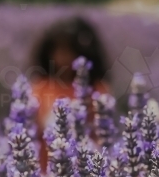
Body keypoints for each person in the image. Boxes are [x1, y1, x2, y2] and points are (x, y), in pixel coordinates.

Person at [30, 16, 109, 168]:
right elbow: (35, 125)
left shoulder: (96, 89)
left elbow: (102, 133)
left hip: (86, 168)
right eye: (56, 49)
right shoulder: (41, 86)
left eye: (68, 50)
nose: (61, 57)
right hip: (47, 170)